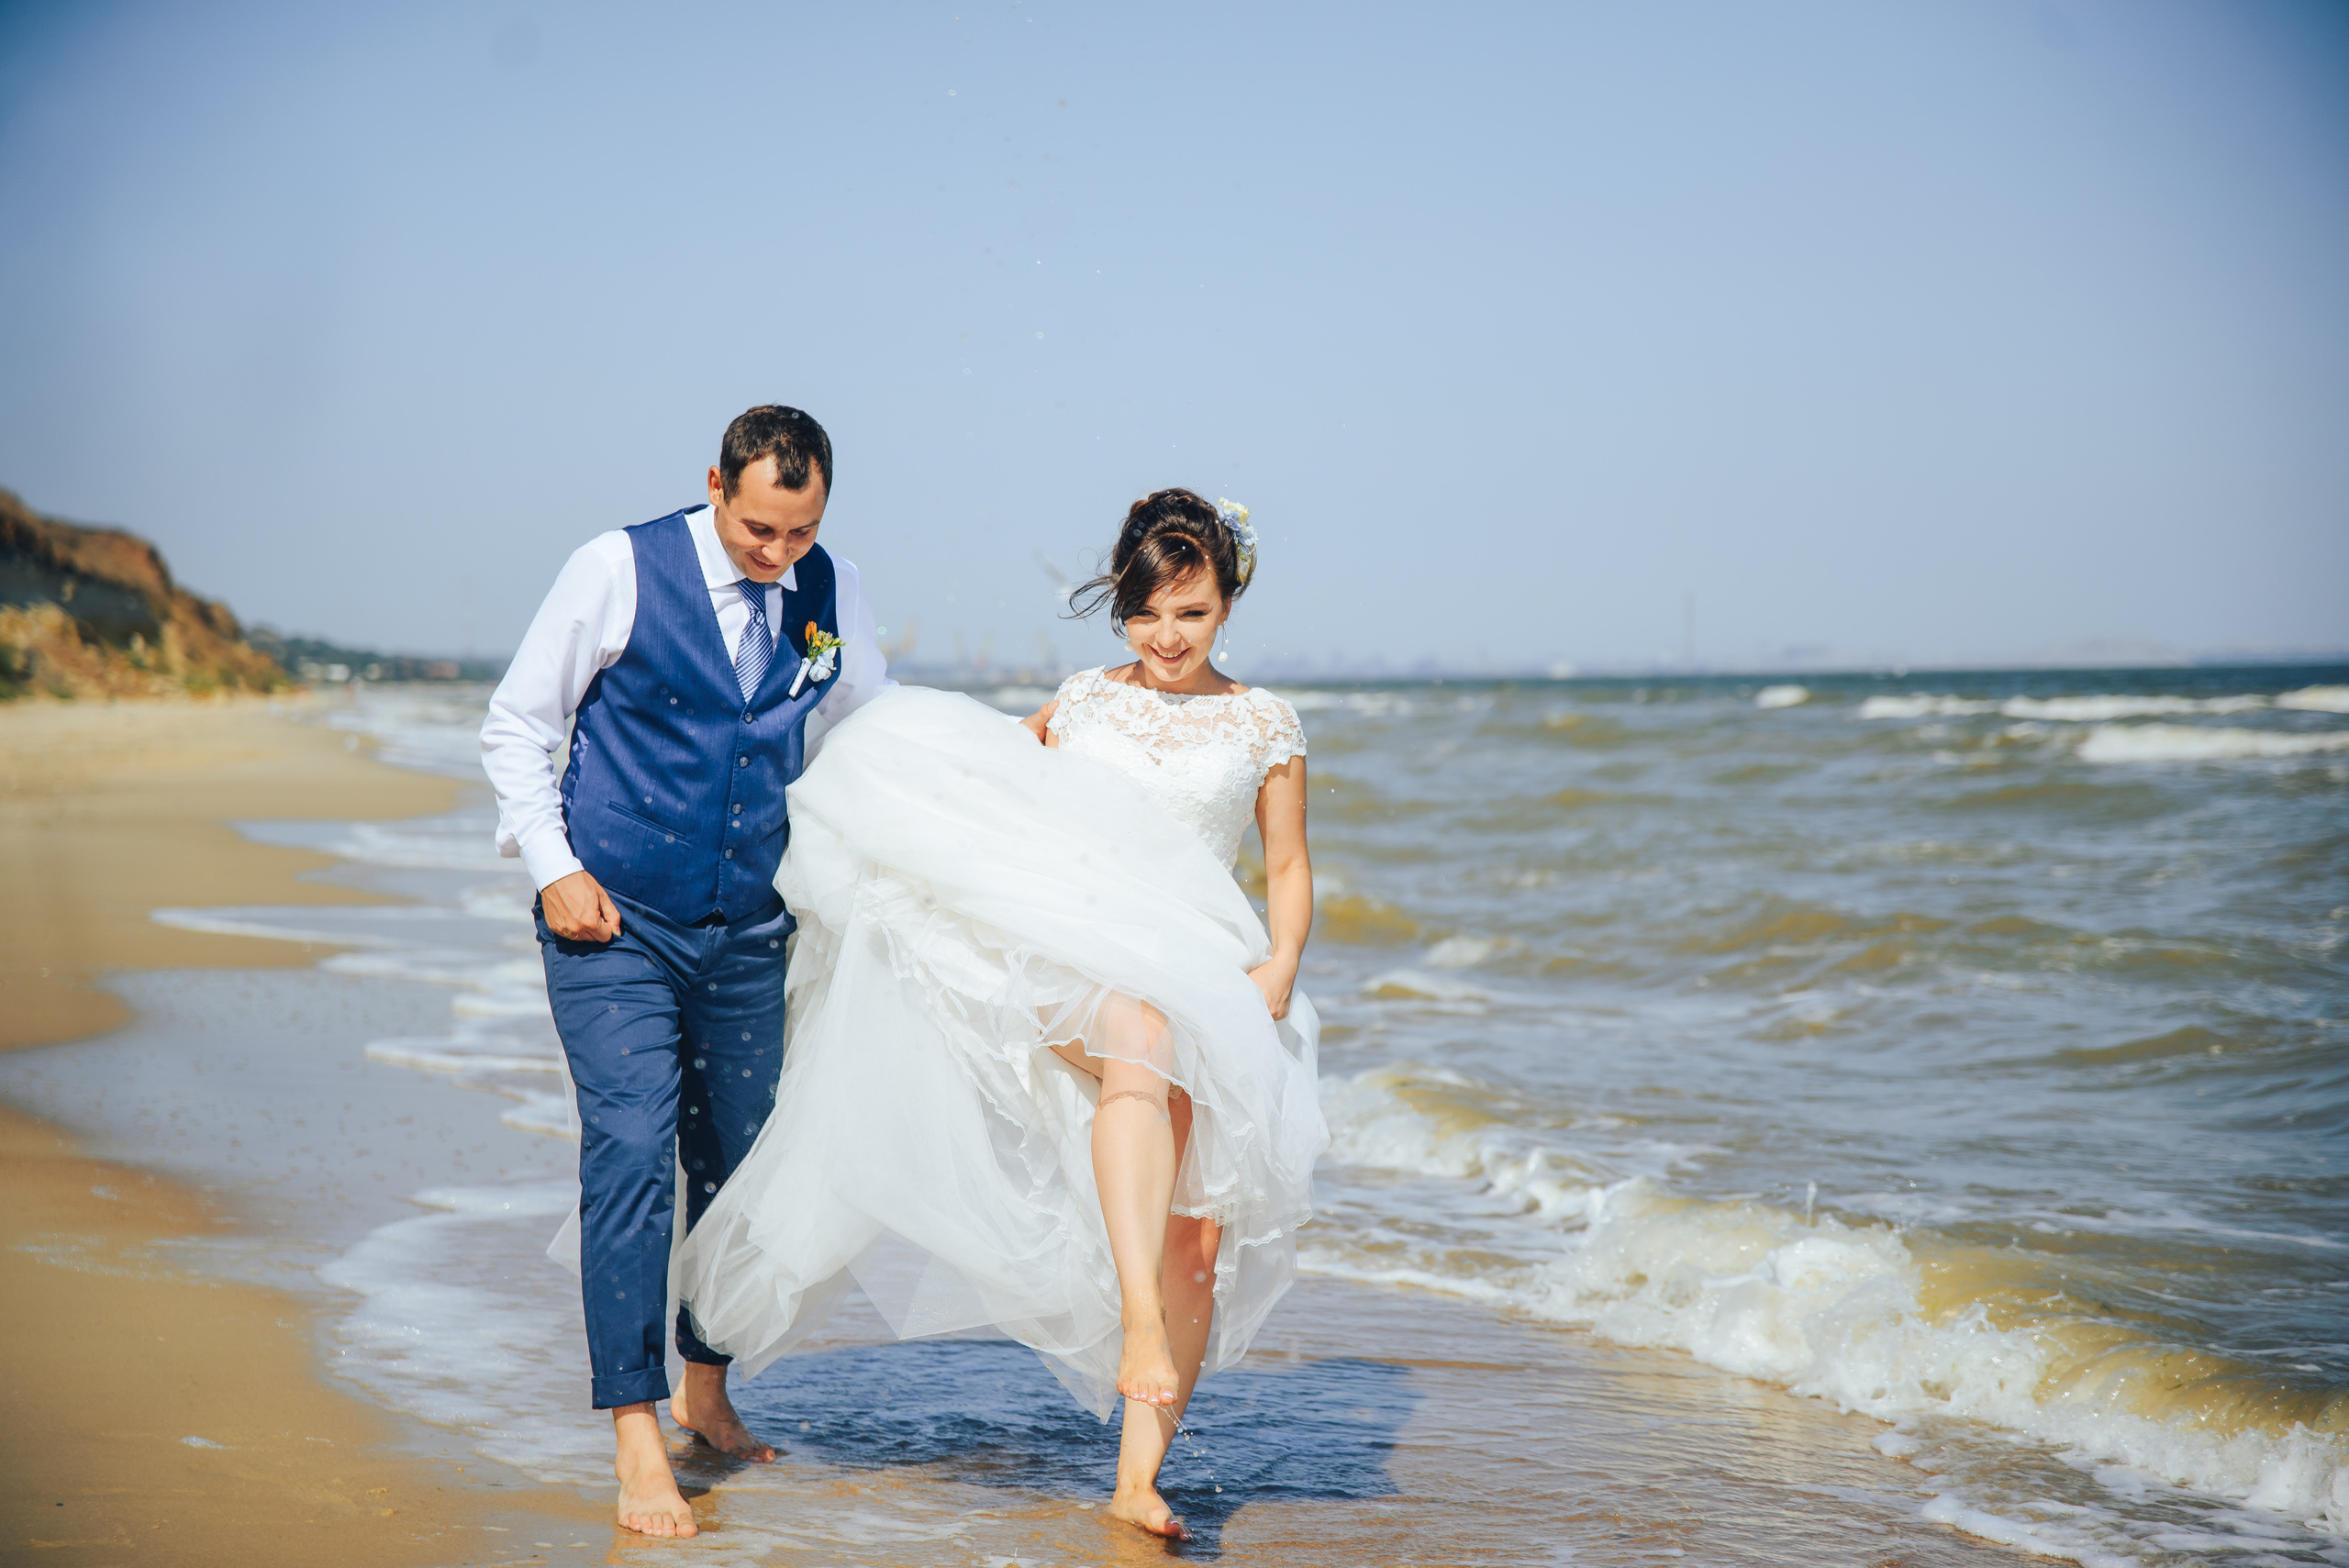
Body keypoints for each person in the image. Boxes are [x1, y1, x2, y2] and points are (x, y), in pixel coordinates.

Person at [675, 486, 1326, 1540]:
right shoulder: (1081, 704)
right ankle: (1140, 1325)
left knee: (1198, 1241)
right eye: (1145, 613)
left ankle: (1136, 1477)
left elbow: (1286, 863)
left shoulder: (1265, 723)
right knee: (1140, 1036)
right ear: (1120, 605)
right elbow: (981, 792)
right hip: (1077, 961)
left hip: (1211, 972)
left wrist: (1284, 958)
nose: (1166, 637)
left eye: (1191, 614)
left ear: (1227, 604)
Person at [479, 406, 889, 1538]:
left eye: (800, 532)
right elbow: (517, 724)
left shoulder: (834, 588)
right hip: (613, 922)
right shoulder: (615, 568)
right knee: (629, 1153)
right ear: (715, 485)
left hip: (752, 928)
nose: (778, 553)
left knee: (738, 1164)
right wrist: (556, 868)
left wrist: (997, 759)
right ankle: (635, 1428)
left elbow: (871, 733)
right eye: (760, 528)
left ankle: (707, 1385)